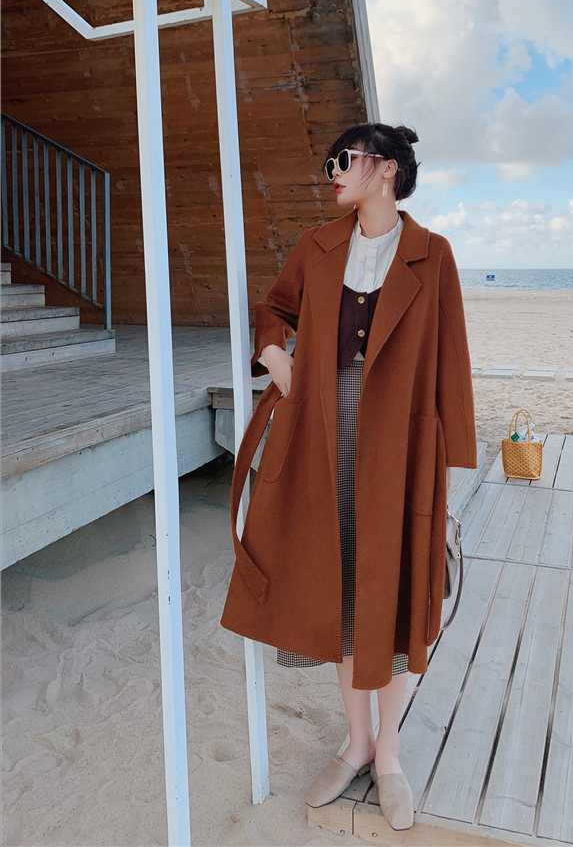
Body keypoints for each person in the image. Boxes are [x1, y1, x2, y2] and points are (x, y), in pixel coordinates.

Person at [220, 122, 477, 831]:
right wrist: (277, 358)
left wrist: (449, 463)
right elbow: (273, 309)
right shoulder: (318, 246)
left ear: (387, 169)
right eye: (330, 161)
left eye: (344, 159)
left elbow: (451, 354)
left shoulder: (433, 254)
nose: (332, 171)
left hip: (401, 446)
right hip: (321, 438)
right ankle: (357, 741)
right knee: (339, 587)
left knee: (393, 593)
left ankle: (388, 753)